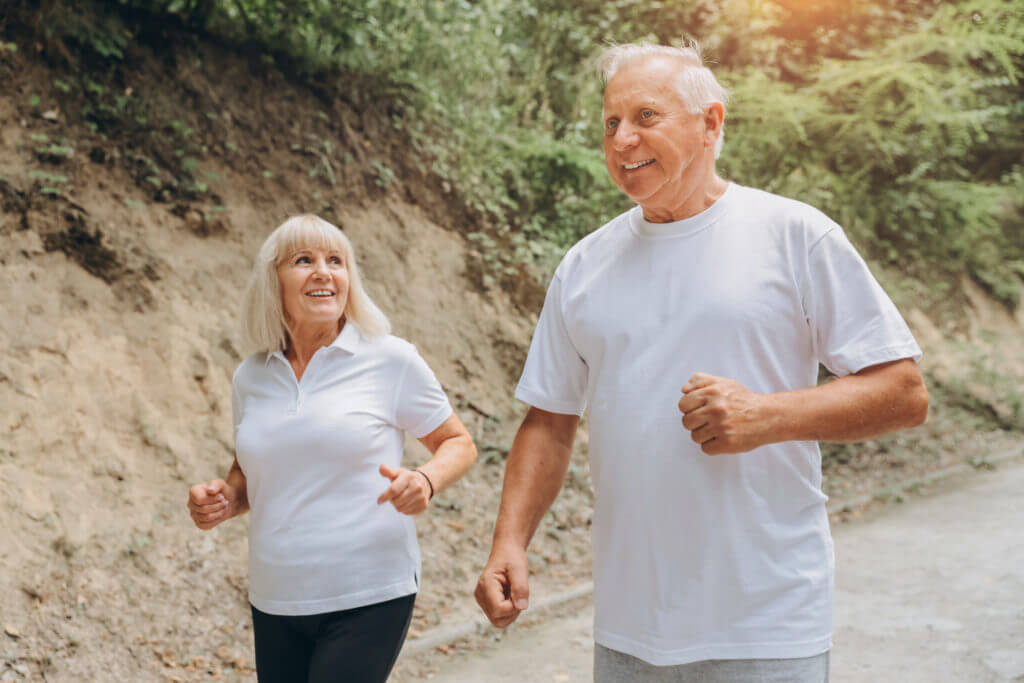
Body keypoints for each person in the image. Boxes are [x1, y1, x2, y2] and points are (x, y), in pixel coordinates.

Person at [474, 43, 929, 682]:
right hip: (631, 625)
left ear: (710, 124)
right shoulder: (584, 265)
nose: (622, 138)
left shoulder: (794, 235)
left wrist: (767, 415)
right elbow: (549, 420)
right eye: (610, 123)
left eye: (645, 116)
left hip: (767, 621)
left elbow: (904, 392)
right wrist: (509, 542)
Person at [187, 214, 477, 683]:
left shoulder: (390, 359)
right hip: (275, 595)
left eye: (336, 261)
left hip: (369, 591)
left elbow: (458, 443)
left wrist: (425, 479)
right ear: (273, 281)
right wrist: (223, 500)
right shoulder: (251, 375)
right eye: (304, 260)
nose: (324, 272)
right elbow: (248, 474)